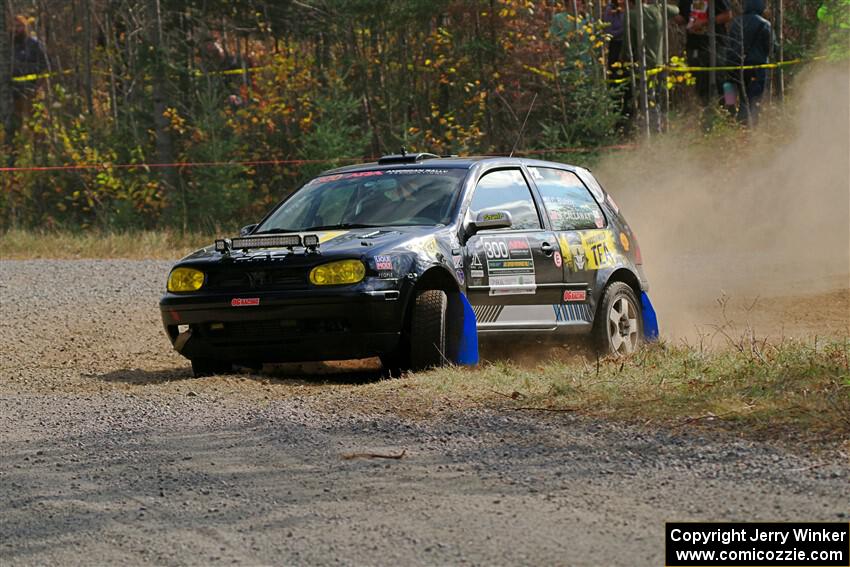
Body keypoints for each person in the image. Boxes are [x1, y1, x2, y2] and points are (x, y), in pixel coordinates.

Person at [627, 0, 680, 132]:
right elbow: (676, 10)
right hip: (659, 61)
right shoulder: (659, 9)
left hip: (643, 62)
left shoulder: (631, 15)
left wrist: (625, 60)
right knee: (658, 95)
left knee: (645, 97)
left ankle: (649, 128)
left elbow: (629, 42)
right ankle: (660, 125)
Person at [724, 0, 774, 126]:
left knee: (741, 98)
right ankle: (751, 128)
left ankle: (738, 123)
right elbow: (772, 48)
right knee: (754, 99)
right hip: (758, 68)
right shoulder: (765, 24)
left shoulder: (735, 23)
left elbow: (729, 45)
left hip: (737, 66)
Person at [674, 0, 732, 106]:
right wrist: (670, 12)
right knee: (700, 83)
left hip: (717, 44)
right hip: (695, 46)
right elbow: (682, 18)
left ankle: (731, 110)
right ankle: (707, 111)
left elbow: (727, 15)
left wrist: (705, 22)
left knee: (725, 80)